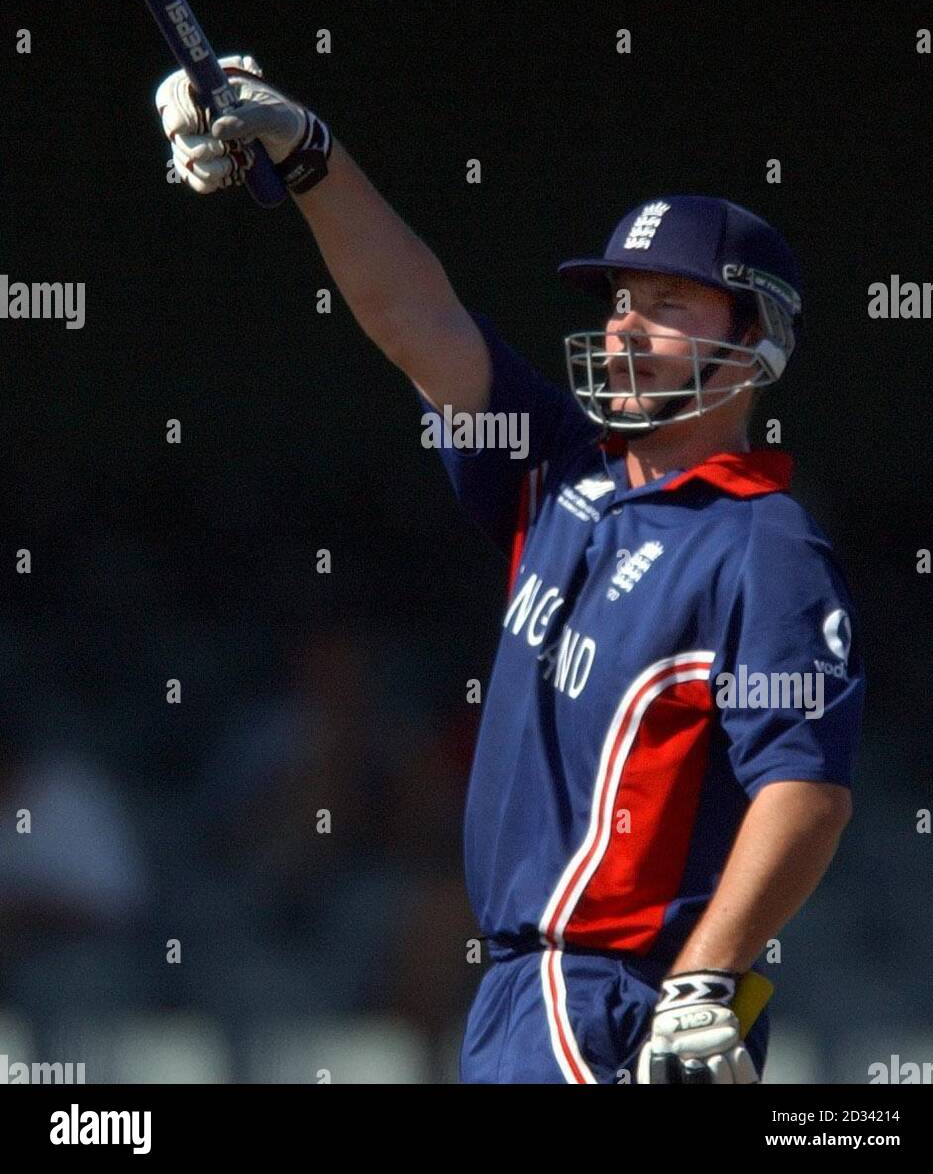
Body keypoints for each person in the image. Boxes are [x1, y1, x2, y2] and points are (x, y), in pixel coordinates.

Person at [155, 59, 864, 1084]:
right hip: (518, 995)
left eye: (667, 301)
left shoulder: (762, 542)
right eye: (621, 297)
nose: (623, 321)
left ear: (752, 337)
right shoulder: (563, 472)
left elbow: (805, 790)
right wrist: (308, 152)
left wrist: (705, 978)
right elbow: (419, 322)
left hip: (625, 1001)